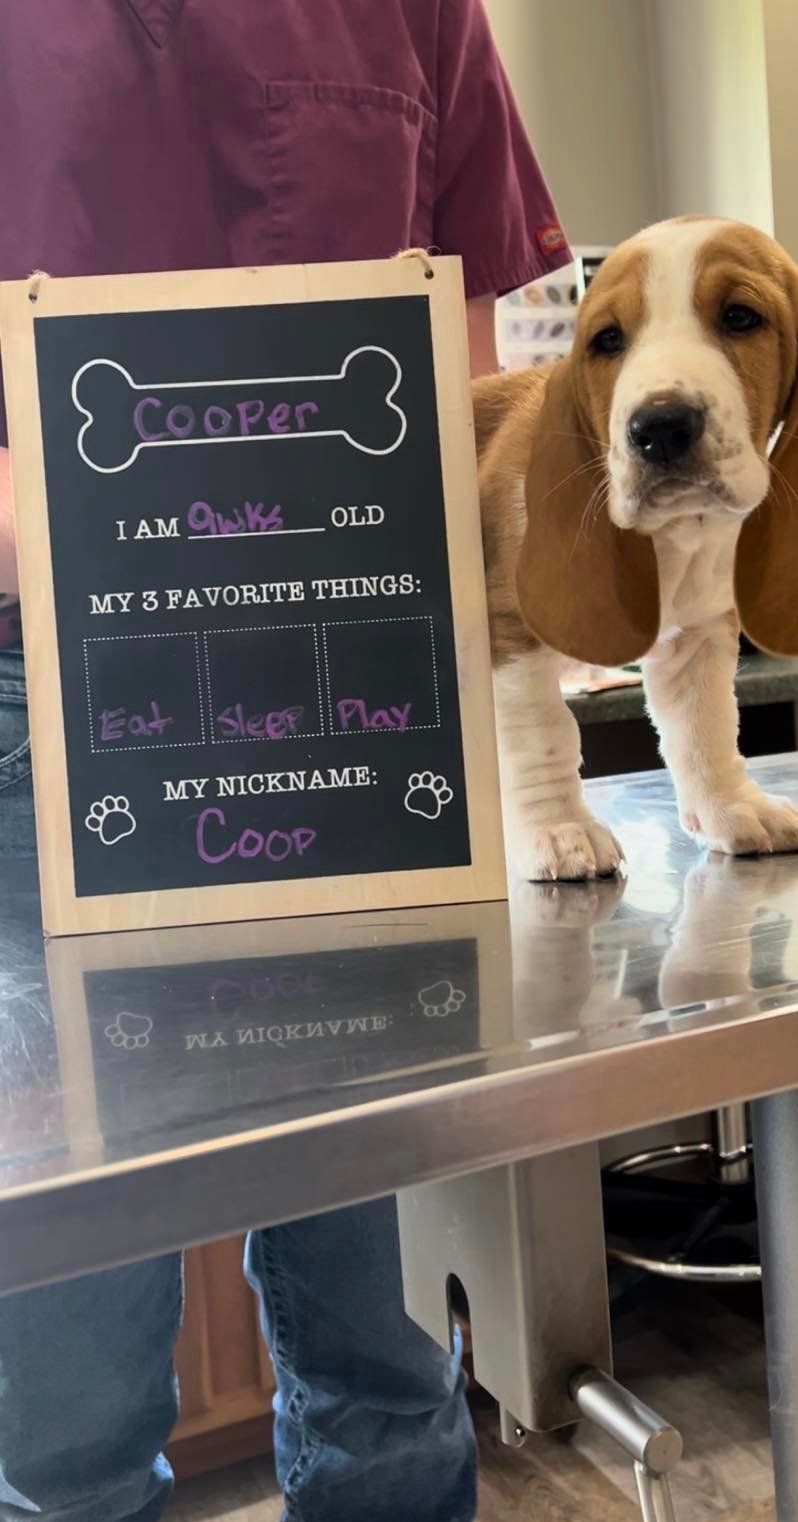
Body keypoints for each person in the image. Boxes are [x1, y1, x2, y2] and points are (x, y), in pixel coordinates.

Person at [0, 4, 572, 1520]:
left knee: (371, 1316)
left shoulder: (419, 11)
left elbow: (450, 356)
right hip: (38, 699)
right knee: (65, 1356)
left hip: (353, 699)